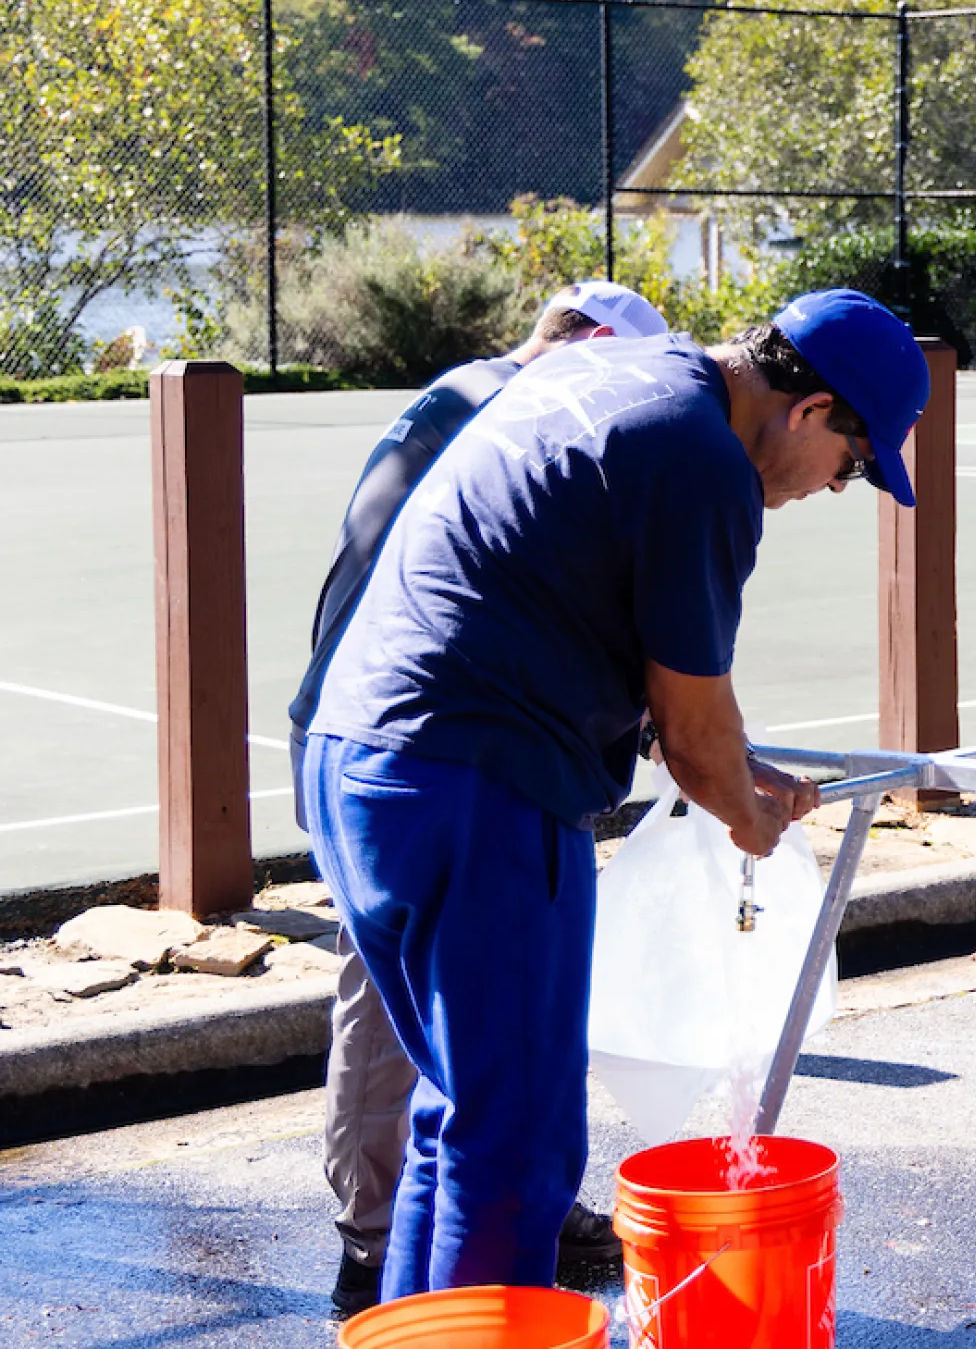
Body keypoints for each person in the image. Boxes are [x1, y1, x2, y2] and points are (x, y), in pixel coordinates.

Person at [303, 289, 930, 1304]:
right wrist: (747, 810)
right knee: (516, 1145)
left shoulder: (612, 377)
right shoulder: (702, 461)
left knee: (459, 1113)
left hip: (360, 760)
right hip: (479, 779)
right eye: (853, 467)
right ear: (811, 412)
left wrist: (732, 765)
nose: (833, 487)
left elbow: (583, 615)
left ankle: (416, 1329)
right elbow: (691, 733)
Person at [287, 279, 667, 1316]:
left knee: (449, 1036)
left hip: (373, 726)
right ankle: (373, 1242)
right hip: (418, 738)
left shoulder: (464, 393)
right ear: (584, 344)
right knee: (402, 1006)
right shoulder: (510, 407)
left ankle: (433, 1237)